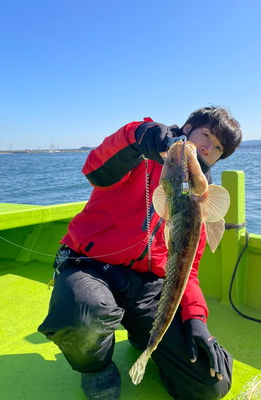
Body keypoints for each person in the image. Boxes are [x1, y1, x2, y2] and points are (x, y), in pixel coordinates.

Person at [38, 106, 242, 400]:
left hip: (147, 285)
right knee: (81, 312)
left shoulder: (201, 202)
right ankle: (96, 369)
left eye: (218, 147)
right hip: (91, 268)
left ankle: (147, 342)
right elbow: (94, 169)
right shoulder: (139, 157)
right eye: (206, 135)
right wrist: (137, 136)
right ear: (186, 129)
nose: (208, 147)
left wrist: (196, 318)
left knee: (212, 383)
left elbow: (189, 269)